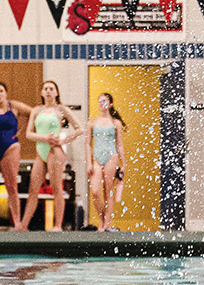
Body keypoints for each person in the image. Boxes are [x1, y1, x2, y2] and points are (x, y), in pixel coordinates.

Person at [21, 80, 84, 231]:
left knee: (56, 188)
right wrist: (44, 138)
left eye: (51, 89)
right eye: (45, 88)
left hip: (55, 151)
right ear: (42, 92)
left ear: (56, 92)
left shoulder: (61, 109)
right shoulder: (36, 110)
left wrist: (64, 139)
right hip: (40, 151)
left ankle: (57, 225)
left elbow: (79, 128)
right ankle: (23, 225)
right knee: (33, 190)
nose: (48, 91)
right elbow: (29, 134)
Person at [0, 81, 34, 230]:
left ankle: (17, 223)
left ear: (6, 93)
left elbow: (33, 112)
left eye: (1, 91)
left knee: (12, 187)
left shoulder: (14, 106)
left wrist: (24, 129)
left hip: (11, 148)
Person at [87, 92, 127, 230]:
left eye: (104, 101)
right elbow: (87, 144)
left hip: (111, 156)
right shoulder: (92, 123)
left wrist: (124, 164)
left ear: (110, 104)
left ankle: (106, 223)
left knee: (108, 191)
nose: (101, 103)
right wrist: (88, 162)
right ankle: (102, 217)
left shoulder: (116, 123)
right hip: (97, 158)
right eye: (99, 101)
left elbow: (119, 144)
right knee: (95, 191)